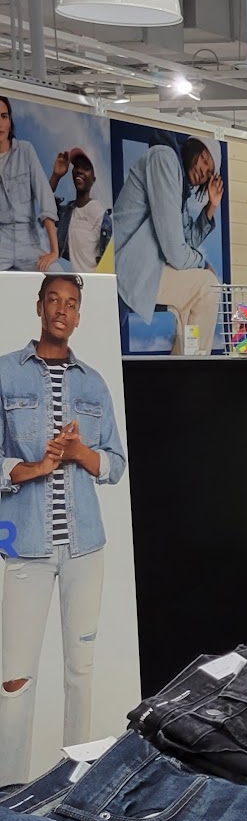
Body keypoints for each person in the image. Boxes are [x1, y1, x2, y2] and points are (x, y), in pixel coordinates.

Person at [0, 274, 128, 782]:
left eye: (71, 303)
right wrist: (35, 467)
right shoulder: (5, 374)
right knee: (14, 679)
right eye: (53, 299)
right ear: (39, 306)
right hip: (24, 546)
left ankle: (76, 784)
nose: (61, 309)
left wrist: (79, 453)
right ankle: (10, 789)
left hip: (85, 548)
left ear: (78, 315)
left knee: (80, 671)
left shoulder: (94, 383)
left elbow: (115, 464)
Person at [109, 135, 222, 354]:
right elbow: (175, 253)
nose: (203, 172)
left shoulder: (179, 186)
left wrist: (211, 206)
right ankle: (195, 369)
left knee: (199, 293)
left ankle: (187, 368)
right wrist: (204, 264)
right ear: (193, 147)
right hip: (128, 268)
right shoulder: (165, 159)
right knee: (207, 285)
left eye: (209, 173)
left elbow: (186, 241)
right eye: (204, 160)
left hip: (144, 270)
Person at [0, 95, 60, 273]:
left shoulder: (26, 150)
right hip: (1, 243)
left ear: (10, 121)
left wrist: (54, 252)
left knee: (58, 275)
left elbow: (45, 197)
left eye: (3, 116)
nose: (0, 123)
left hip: (28, 243)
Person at [55, 150, 105, 271]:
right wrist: (56, 176)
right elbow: (45, 207)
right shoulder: (68, 212)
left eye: (86, 168)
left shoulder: (96, 210)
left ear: (93, 179)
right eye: (77, 167)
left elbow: (108, 250)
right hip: (77, 279)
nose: (79, 171)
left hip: (95, 279)